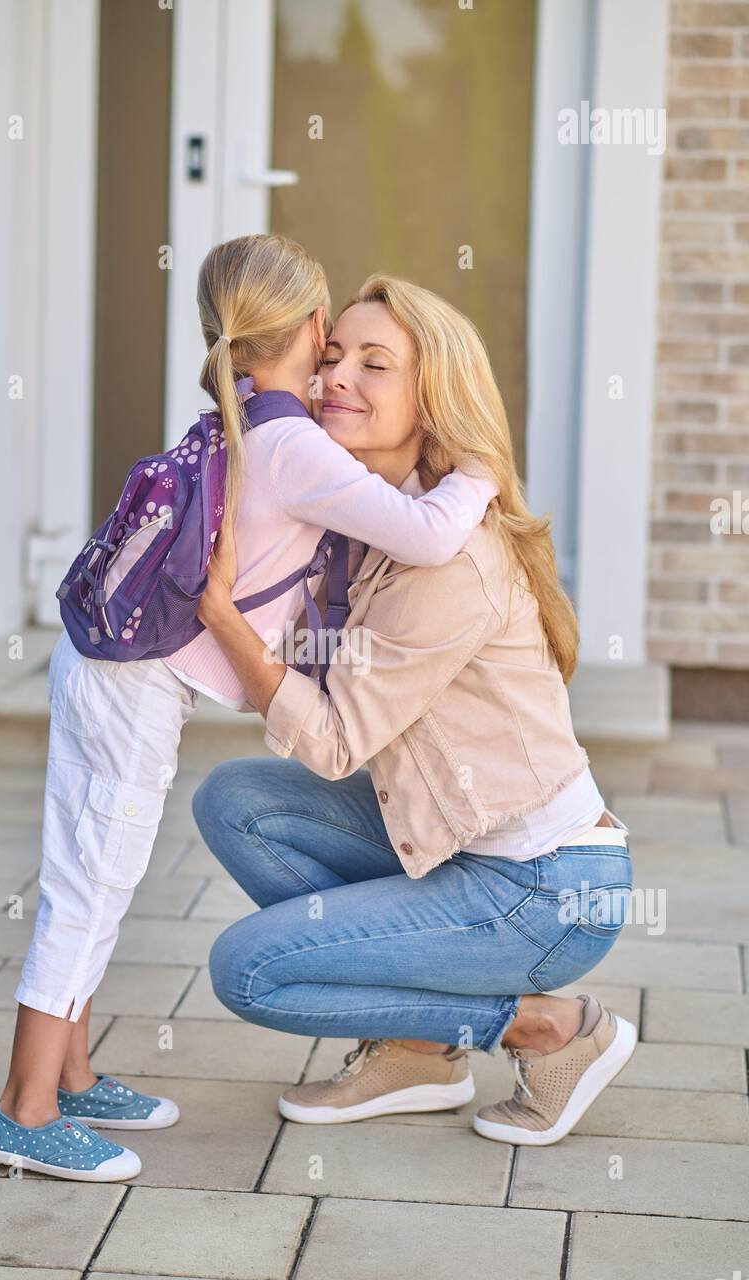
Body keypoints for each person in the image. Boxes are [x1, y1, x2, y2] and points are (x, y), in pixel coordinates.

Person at [0, 237, 495, 1182]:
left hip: (109, 673)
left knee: (94, 875)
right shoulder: (294, 446)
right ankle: (25, 1108)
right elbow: (427, 534)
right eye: (334, 339)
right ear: (310, 328)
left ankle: (74, 1072)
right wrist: (484, 470)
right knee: (89, 886)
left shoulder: (241, 416)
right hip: (130, 689)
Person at [193, 273, 636, 1147]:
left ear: (431, 398)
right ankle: (417, 1050)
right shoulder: (380, 521)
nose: (334, 380)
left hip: (543, 892)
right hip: (458, 842)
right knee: (238, 802)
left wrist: (224, 622)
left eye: (374, 364)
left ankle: (542, 1028)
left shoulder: (446, 562)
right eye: (329, 358)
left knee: (250, 971)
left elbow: (334, 742)